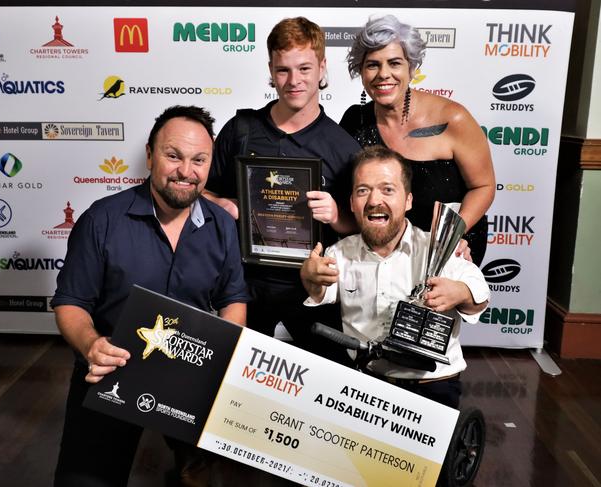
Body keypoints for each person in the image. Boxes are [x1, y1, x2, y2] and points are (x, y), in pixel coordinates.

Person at [51, 105, 249, 486]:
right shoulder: (102, 219)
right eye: (173, 156)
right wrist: (92, 345)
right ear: (150, 155)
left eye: (198, 160)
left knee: (208, 477)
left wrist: (225, 354)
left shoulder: (222, 225)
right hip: (110, 369)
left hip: (190, 374)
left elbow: (232, 299)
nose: (185, 171)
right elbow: (71, 303)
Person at [205, 17, 361, 356]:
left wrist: (337, 215)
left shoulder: (344, 148)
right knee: (232, 378)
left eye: (304, 68)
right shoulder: (241, 130)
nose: (294, 81)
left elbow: (362, 229)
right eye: (283, 70)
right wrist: (226, 206)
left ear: (322, 67)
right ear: (271, 69)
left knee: (326, 385)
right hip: (244, 283)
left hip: (313, 287)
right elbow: (201, 193)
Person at [300, 146, 490, 409]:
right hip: (365, 385)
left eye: (387, 189)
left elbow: (479, 298)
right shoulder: (339, 253)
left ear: (408, 200)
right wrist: (310, 276)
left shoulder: (439, 249)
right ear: (352, 202)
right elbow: (322, 290)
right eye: (363, 190)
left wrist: (460, 292)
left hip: (432, 385)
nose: (375, 200)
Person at [339, 15, 495, 266]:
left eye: (394, 63)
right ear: (360, 71)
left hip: (447, 252)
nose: (384, 74)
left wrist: (451, 236)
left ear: (411, 67)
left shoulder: (453, 118)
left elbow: (484, 187)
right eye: (372, 65)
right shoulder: (353, 121)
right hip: (382, 253)